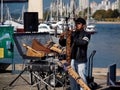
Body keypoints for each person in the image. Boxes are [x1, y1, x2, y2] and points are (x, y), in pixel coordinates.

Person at [59, 17, 91, 90]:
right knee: (72, 77)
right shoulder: (73, 33)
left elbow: (84, 43)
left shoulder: (86, 34)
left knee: (81, 77)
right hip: (72, 59)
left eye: (79, 23)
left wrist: (72, 38)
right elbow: (63, 43)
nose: (77, 25)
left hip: (81, 60)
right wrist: (61, 38)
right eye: (76, 23)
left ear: (83, 25)